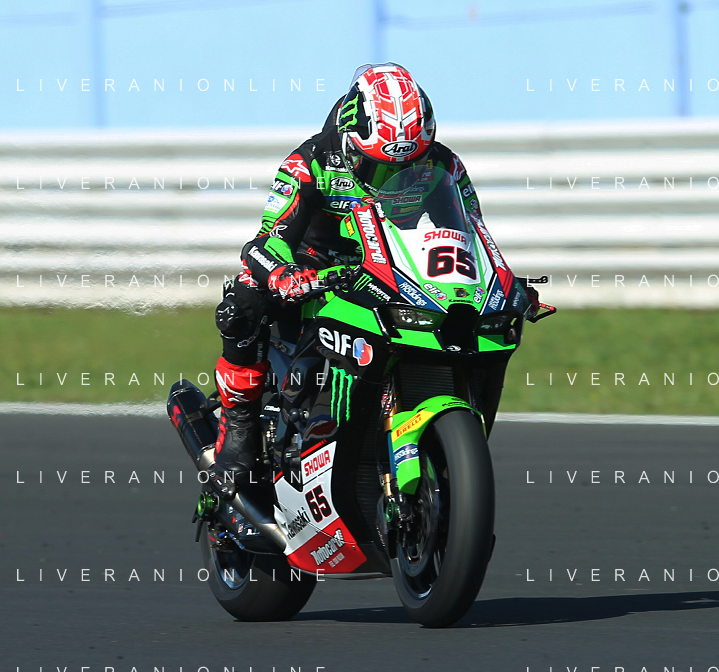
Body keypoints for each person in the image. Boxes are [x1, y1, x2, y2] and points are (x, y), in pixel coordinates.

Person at [210, 62, 538, 480]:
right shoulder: (309, 161)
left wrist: (504, 285)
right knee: (243, 298)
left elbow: (473, 233)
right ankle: (237, 426)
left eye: (407, 166)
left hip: (394, 272)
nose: (392, 179)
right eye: (380, 168)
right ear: (352, 142)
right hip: (317, 271)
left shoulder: (446, 164)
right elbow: (265, 241)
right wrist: (284, 275)